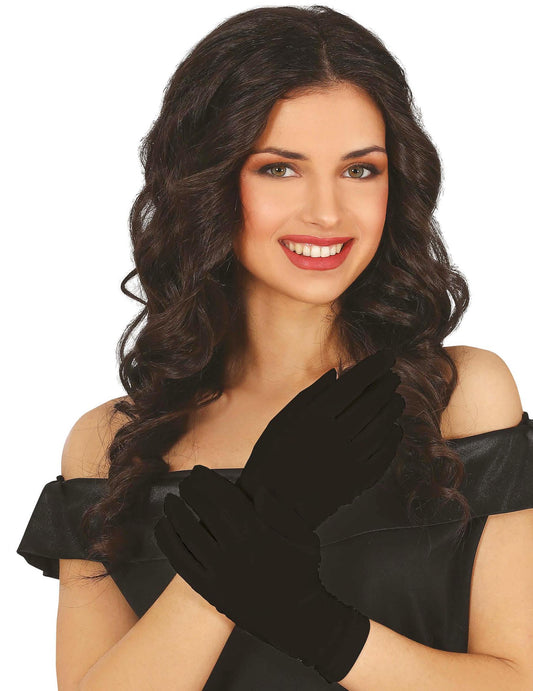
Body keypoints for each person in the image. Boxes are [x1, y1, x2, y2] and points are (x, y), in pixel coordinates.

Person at [16, 5, 533, 689]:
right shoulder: (111, 445)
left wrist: (319, 626)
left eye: (360, 170)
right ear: (208, 180)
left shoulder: (459, 398)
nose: (326, 211)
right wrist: (259, 521)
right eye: (280, 169)